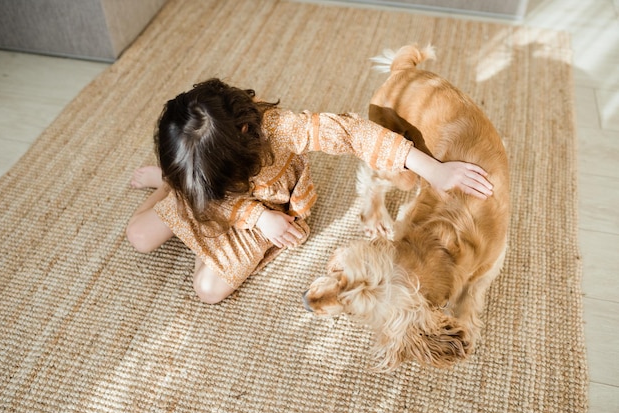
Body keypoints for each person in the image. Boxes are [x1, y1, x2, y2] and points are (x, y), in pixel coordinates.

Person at [126, 78, 493, 304]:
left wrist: (434, 169)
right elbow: (208, 192)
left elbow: (353, 133)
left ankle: (187, 196)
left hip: (268, 215)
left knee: (207, 290)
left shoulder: (281, 128)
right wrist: (190, 188)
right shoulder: (202, 165)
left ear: (242, 135)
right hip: (211, 198)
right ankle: (170, 182)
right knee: (137, 236)